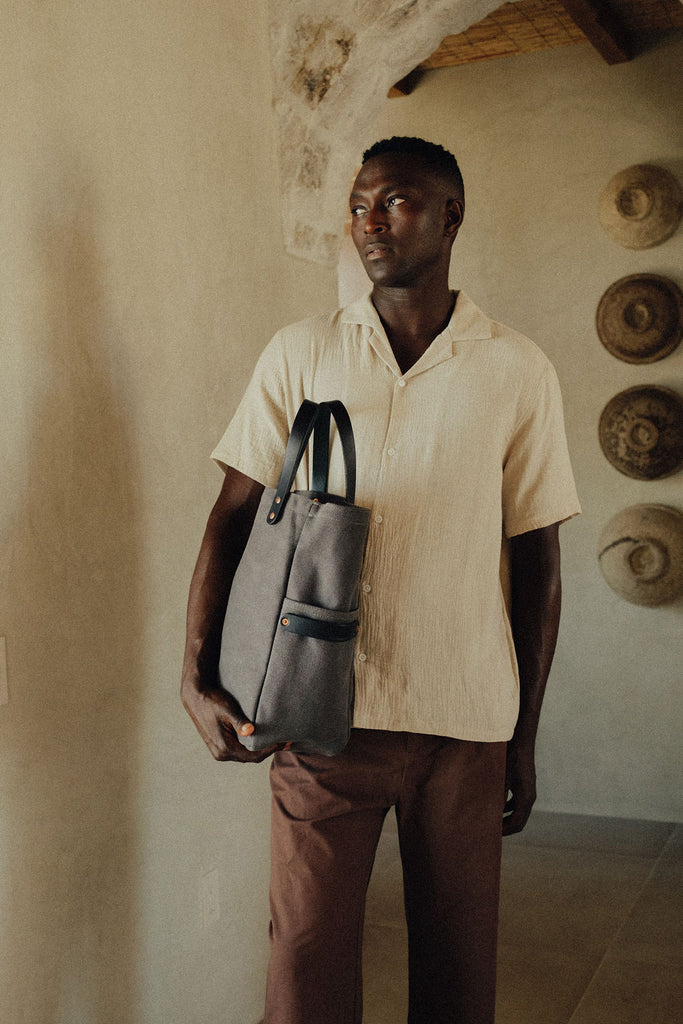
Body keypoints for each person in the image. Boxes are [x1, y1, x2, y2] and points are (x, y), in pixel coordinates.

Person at [181, 136, 581, 1024]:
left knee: (456, 974)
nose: (369, 222)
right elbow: (231, 515)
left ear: (451, 215)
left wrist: (521, 733)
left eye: (395, 201)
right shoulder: (300, 351)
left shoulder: (516, 370)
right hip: (320, 717)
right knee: (305, 965)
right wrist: (194, 673)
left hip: (462, 722)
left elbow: (538, 560)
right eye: (359, 205)